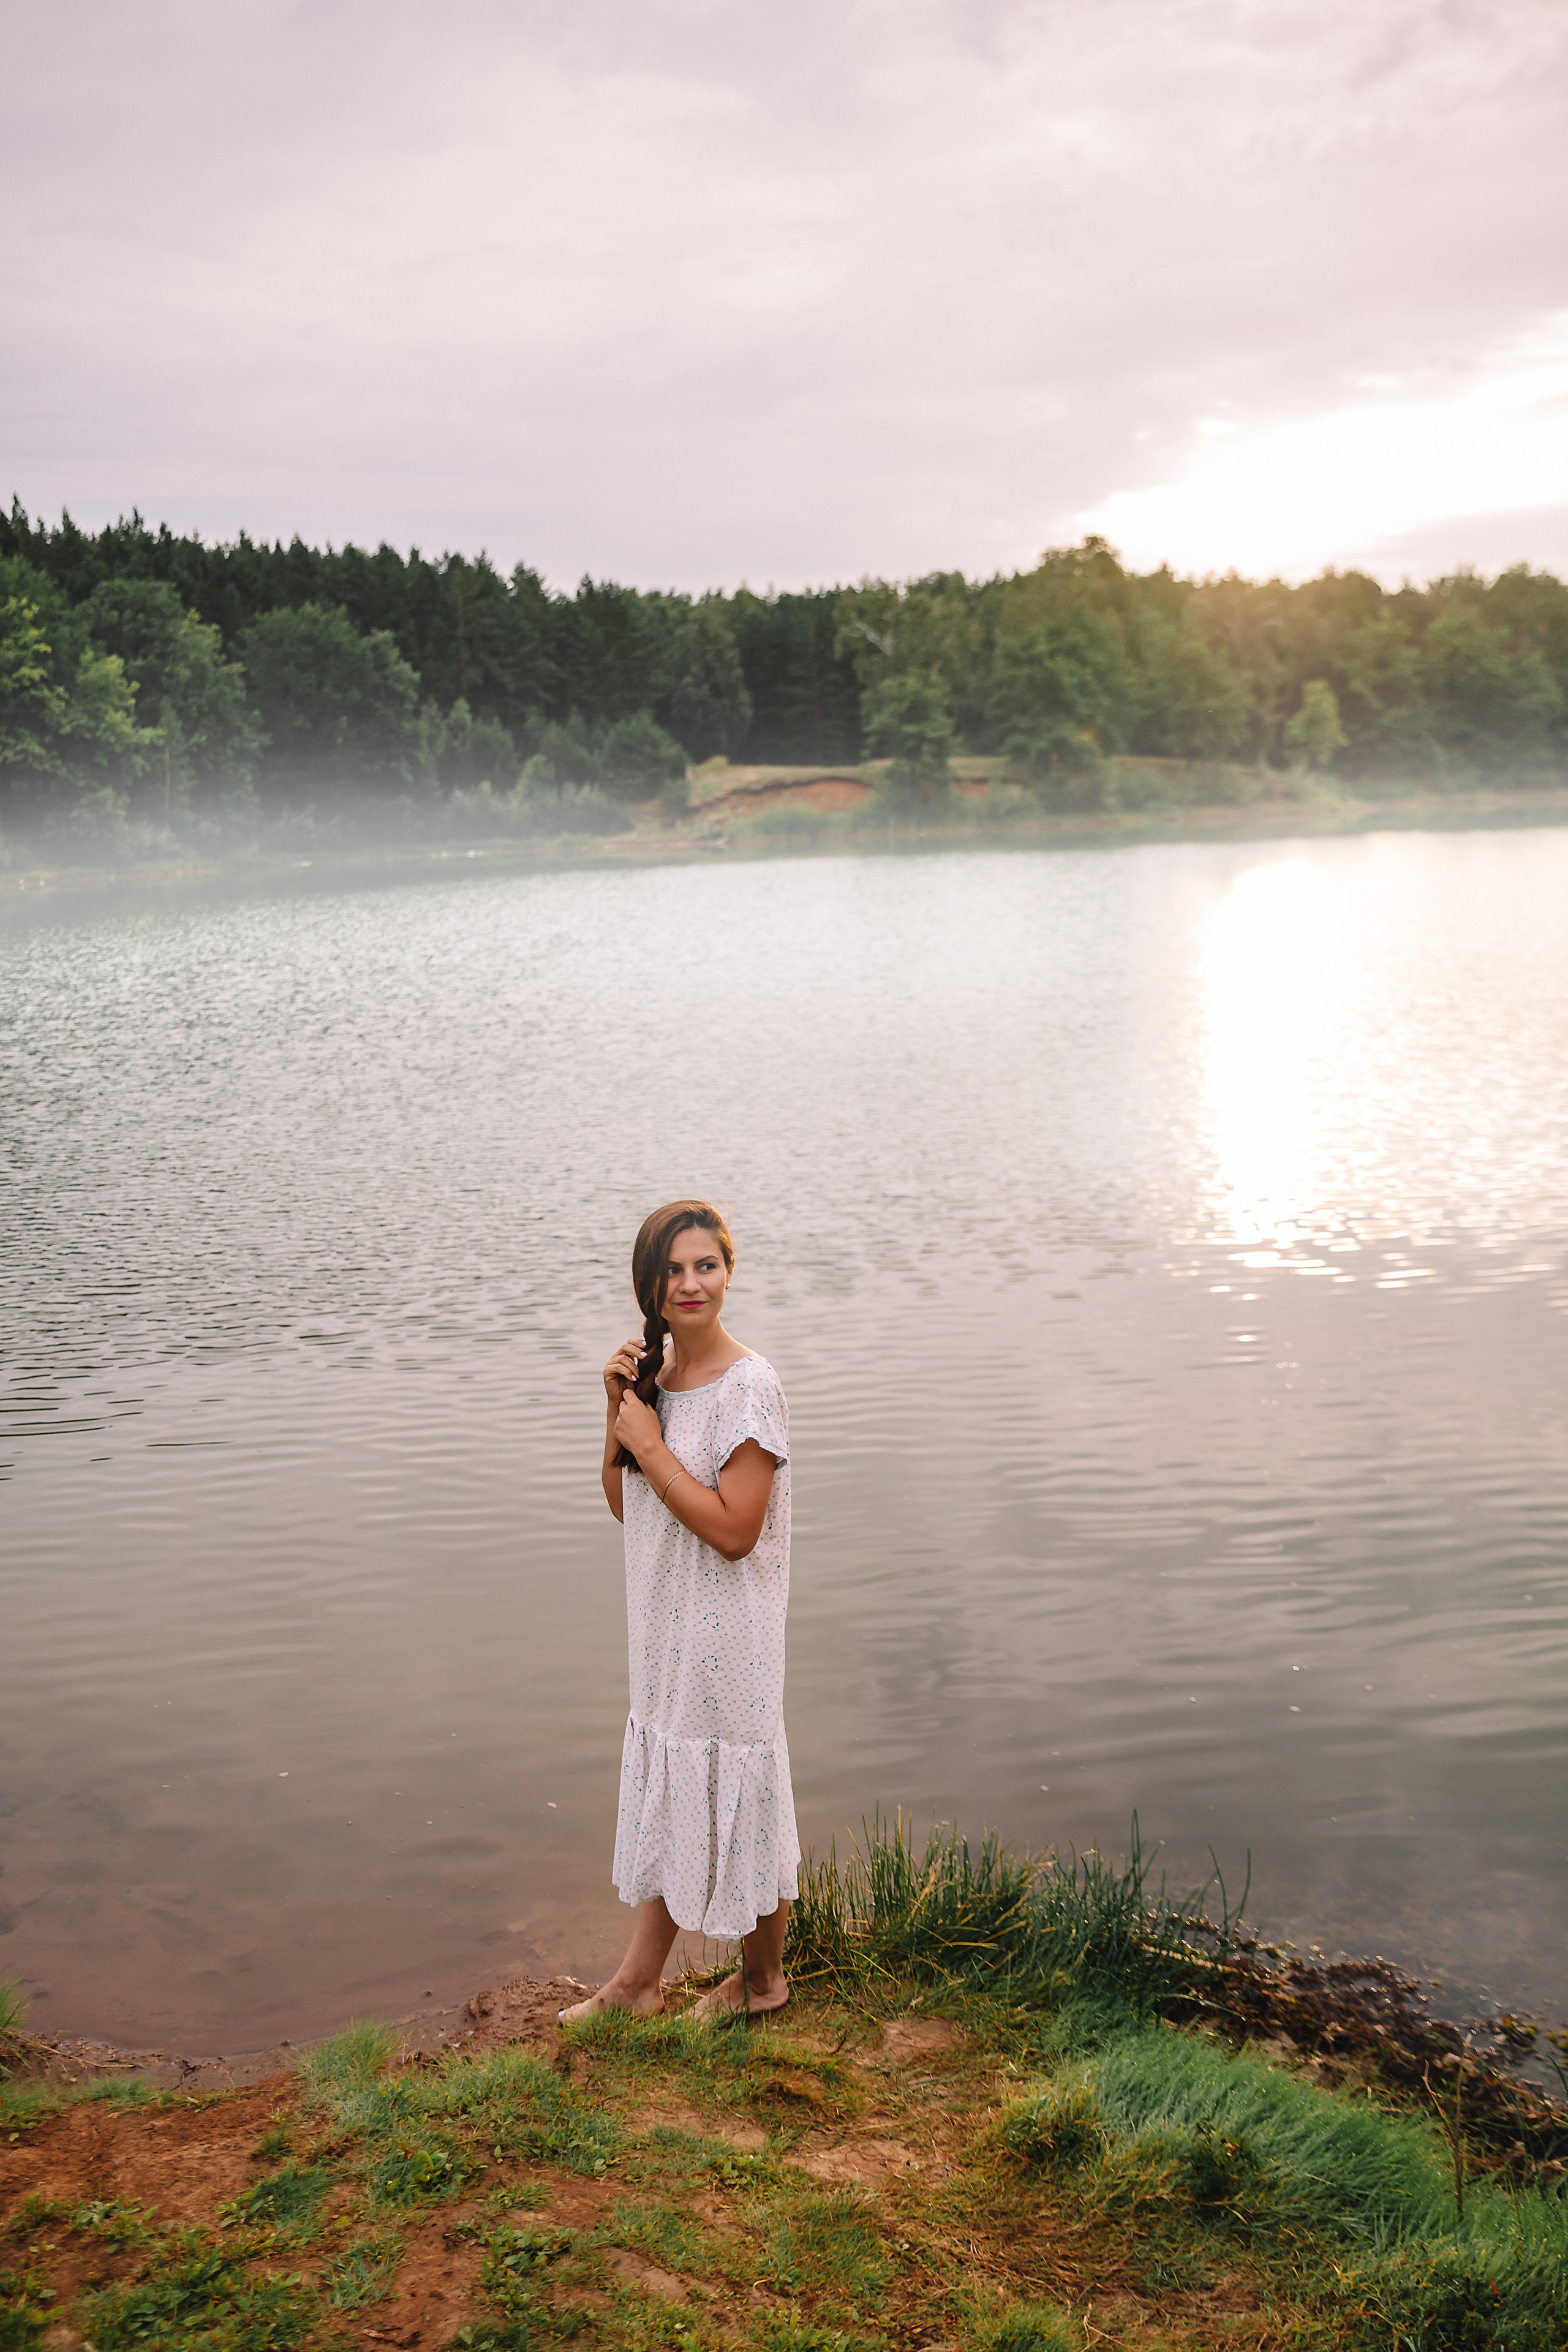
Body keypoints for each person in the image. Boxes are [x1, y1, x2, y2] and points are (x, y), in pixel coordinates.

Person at [560, 1199, 799, 2022]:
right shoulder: (659, 1382)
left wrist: (655, 1448)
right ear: (650, 1286)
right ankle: (639, 1984)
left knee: (741, 1784)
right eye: (673, 1270)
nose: (691, 1284)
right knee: (678, 1782)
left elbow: (735, 1530)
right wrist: (619, 1411)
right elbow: (633, 1508)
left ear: (730, 1271)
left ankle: (761, 1981)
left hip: (733, 1628)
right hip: (667, 1624)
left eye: (706, 1265)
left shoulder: (750, 1387)